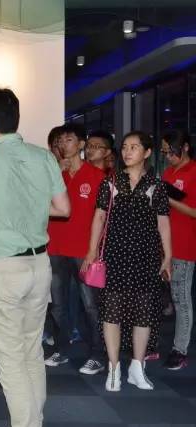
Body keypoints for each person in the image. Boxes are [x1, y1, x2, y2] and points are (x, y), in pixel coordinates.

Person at [0, 88, 69, 427]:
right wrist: (28, 209)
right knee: (32, 349)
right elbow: (63, 208)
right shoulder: (43, 157)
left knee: (9, 359)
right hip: (39, 265)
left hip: (5, 267)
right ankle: (35, 419)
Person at [82, 131, 171, 392]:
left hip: (146, 257)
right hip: (115, 256)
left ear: (147, 152)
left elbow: (163, 223)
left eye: (134, 147)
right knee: (111, 312)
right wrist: (91, 250)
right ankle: (113, 368)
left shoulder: (156, 185)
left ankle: (137, 367)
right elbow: (98, 218)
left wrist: (168, 255)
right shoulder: (110, 182)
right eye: (124, 147)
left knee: (144, 313)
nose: (127, 152)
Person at [45, 123, 106, 375]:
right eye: (60, 140)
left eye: (68, 139)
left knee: (91, 305)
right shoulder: (53, 174)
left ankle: (98, 354)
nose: (63, 144)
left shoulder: (96, 176)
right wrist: (55, 174)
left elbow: (102, 217)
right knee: (57, 304)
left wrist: (93, 251)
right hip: (55, 248)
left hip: (84, 251)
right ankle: (61, 348)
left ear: (81, 144)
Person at [160, 129, 196, 370]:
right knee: (169, 295)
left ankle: (180, 349)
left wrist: (168, 199)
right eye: (164, 152)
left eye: (170, 151)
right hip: (165, 243)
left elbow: (194, 211)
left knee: (181, 298)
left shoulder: (193, 171)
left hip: (184, 244)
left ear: (184, 148)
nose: (167, 156)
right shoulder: (168, 172)